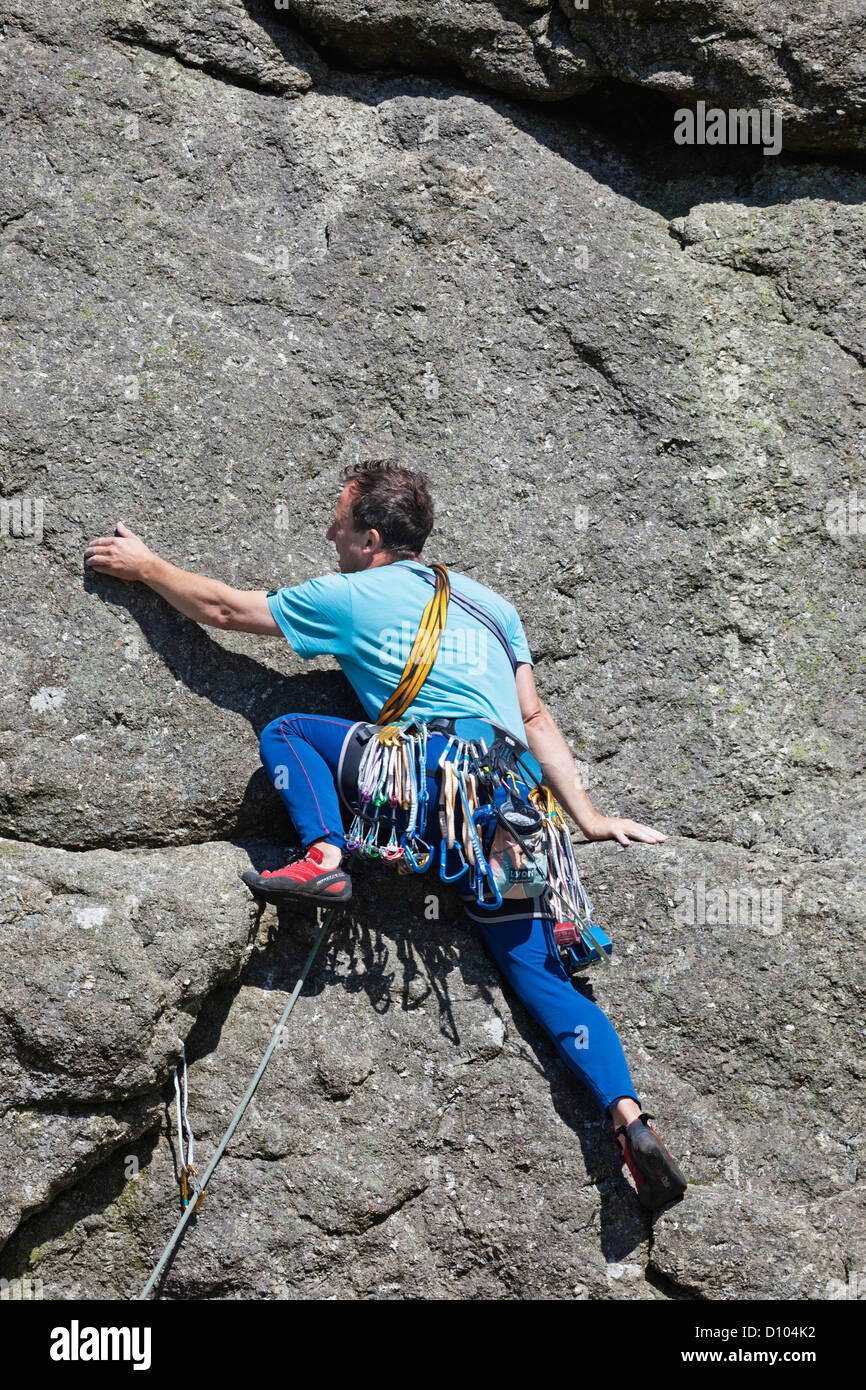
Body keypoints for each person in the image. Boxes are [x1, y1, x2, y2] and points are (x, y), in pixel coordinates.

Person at [84, 459, 687, 1212]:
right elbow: (533, 720)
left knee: (289, 732)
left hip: (431, 776)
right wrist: (590, 818)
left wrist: (147, 568)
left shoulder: (355, 593)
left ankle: (325, 858)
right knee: (539, 976)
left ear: (371, 537)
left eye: (337, 521)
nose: (327, 532)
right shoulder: (494, 606)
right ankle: (630, 1117)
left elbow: (227, 611)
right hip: (510, 809)